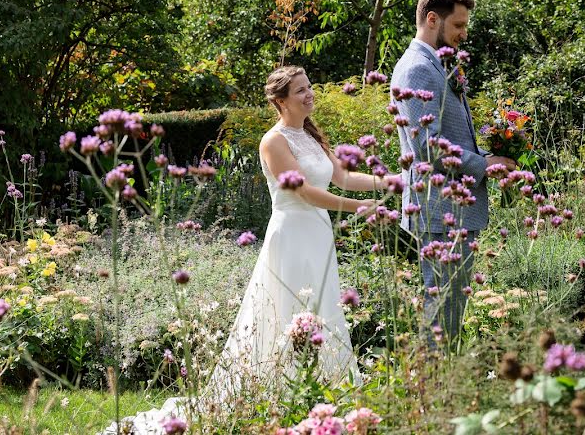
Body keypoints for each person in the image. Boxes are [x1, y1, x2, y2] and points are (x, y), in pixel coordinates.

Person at [102, 66, 386, 434]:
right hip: (291, 235)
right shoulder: (273, 141)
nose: (308, 95)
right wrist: (358, 207)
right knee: (289, 313)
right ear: (280, 100)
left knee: (323, 306)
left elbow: (343, 177)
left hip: (319, 236)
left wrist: (388, 182)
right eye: (300, 91)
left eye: (309, 87)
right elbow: (301, 191)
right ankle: (281, 397)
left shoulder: (313, 137)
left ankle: (328, 396)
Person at [390, 0, 516, 346]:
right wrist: (483, 164)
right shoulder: (418, 69)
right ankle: (434, 389)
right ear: (433, 19)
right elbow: (428, 149)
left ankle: (440, 383)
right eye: (458, 26)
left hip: (451, 206)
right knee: (442, 311)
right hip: (439, 207)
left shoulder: (437, 64)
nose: (463, 34)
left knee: (450, 307)